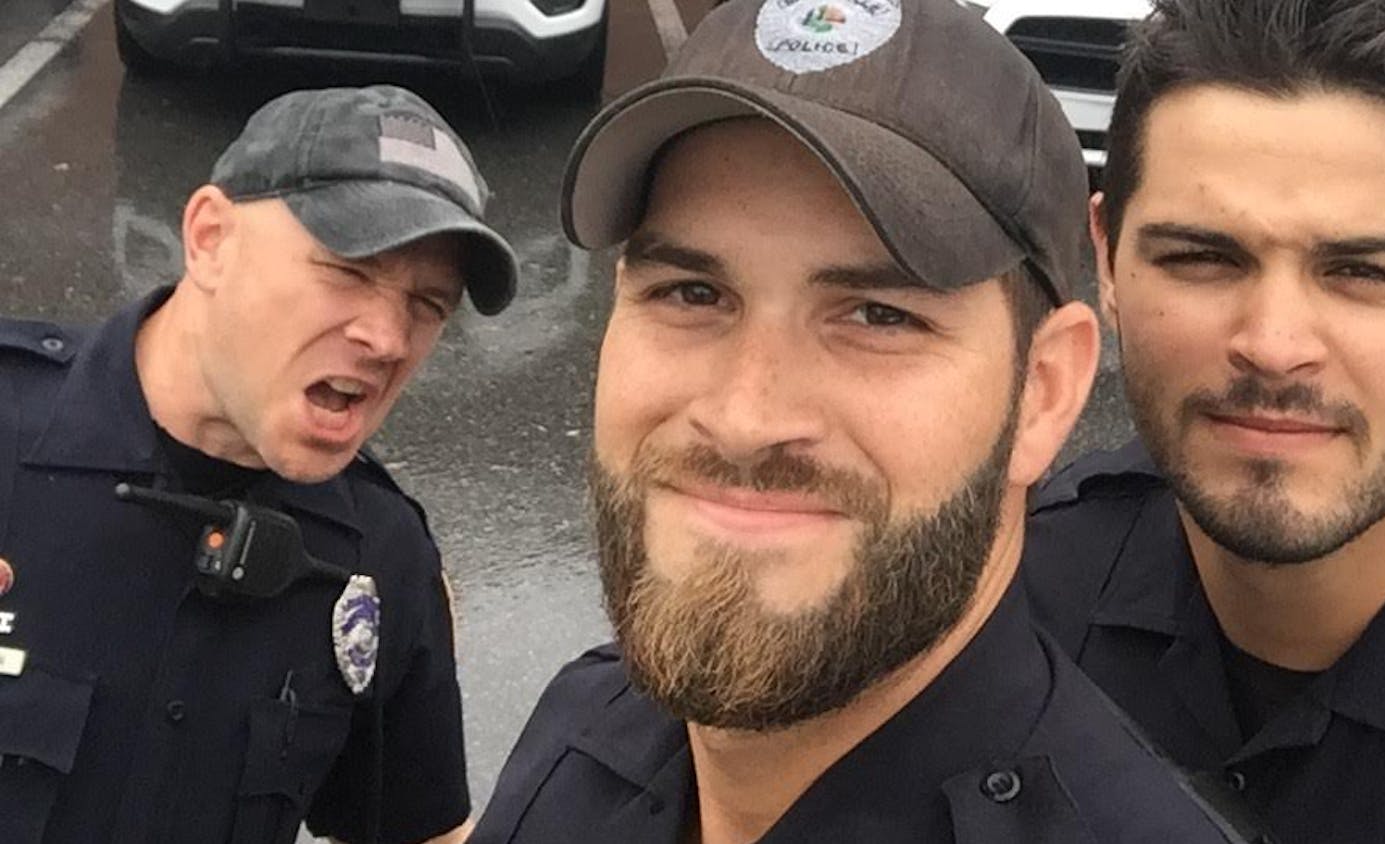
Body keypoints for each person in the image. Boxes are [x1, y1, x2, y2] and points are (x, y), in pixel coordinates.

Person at [471, 0, 1254, 841]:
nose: (745, 419)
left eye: (880, 316)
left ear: (1044, 391)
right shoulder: (580, 729)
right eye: (691, 294)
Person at [1020, 1, 1385, 841]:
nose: (1273, 347)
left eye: (1365, 272)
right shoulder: (999, 612)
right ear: (1107, 262)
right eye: (1202, 257)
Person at [0, 84, 517, 844]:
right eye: (348, 270)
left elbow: (418, 831)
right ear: (210, 239)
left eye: (428, 304)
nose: (388, 338)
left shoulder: (380, 556)